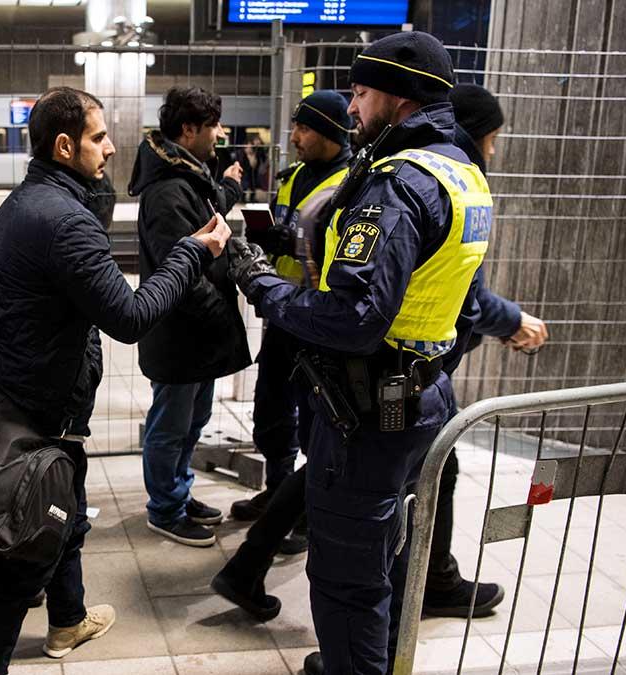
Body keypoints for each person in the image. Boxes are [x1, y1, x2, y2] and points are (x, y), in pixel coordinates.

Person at [225, 32, 493, 674]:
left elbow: (352, 320)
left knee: (347, 572)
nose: (352, 105)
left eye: (362, 91)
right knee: (394, 547)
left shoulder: (397, 185)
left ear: (397, 97)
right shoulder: (464, 176)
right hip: (423, 393)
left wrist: (256, 281)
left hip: (367, 405)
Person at [0, 86, 231, 674]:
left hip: (19, 393)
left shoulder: (24, 201)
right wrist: (191, 251)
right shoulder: (64, 222)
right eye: (98, 137)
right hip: (42, 413)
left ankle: (68, 620)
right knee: (22, 564)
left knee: (66, 520)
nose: (112, 148)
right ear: (64, 145)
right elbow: (131, 318)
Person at [211, 90, 355, 619]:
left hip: (318, 325)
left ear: (331, 132)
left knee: (316, 420)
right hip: (283, 318)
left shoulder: (353, 184)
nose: (292, 137)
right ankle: (278, 493)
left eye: (303, 129)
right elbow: (287, 230)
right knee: (271, 410)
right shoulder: (296, 177)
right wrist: (266, 238)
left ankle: (304, 513)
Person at [416, 82, 548, 619]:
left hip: (416, 365)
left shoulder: (415, 175)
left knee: (408, 475)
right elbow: (466, 297)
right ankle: (429, 585)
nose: (493, 152)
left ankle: (251, 561)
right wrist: (514, 320)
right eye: (491, 139)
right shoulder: (456, 186)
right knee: (421, 473)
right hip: (419, 367)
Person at [128, 86, 252, 547]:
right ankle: (165, 509)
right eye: (213, 126)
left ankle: (178, 494)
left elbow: (212, 206)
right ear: (188, 129)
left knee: (193, 420)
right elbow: (175, 270)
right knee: (171, 425)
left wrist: (232, 187)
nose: (219, 134)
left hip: (197, 334)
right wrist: (221, 312)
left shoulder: (190, 177)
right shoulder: (167, 192)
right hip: (180, 332)